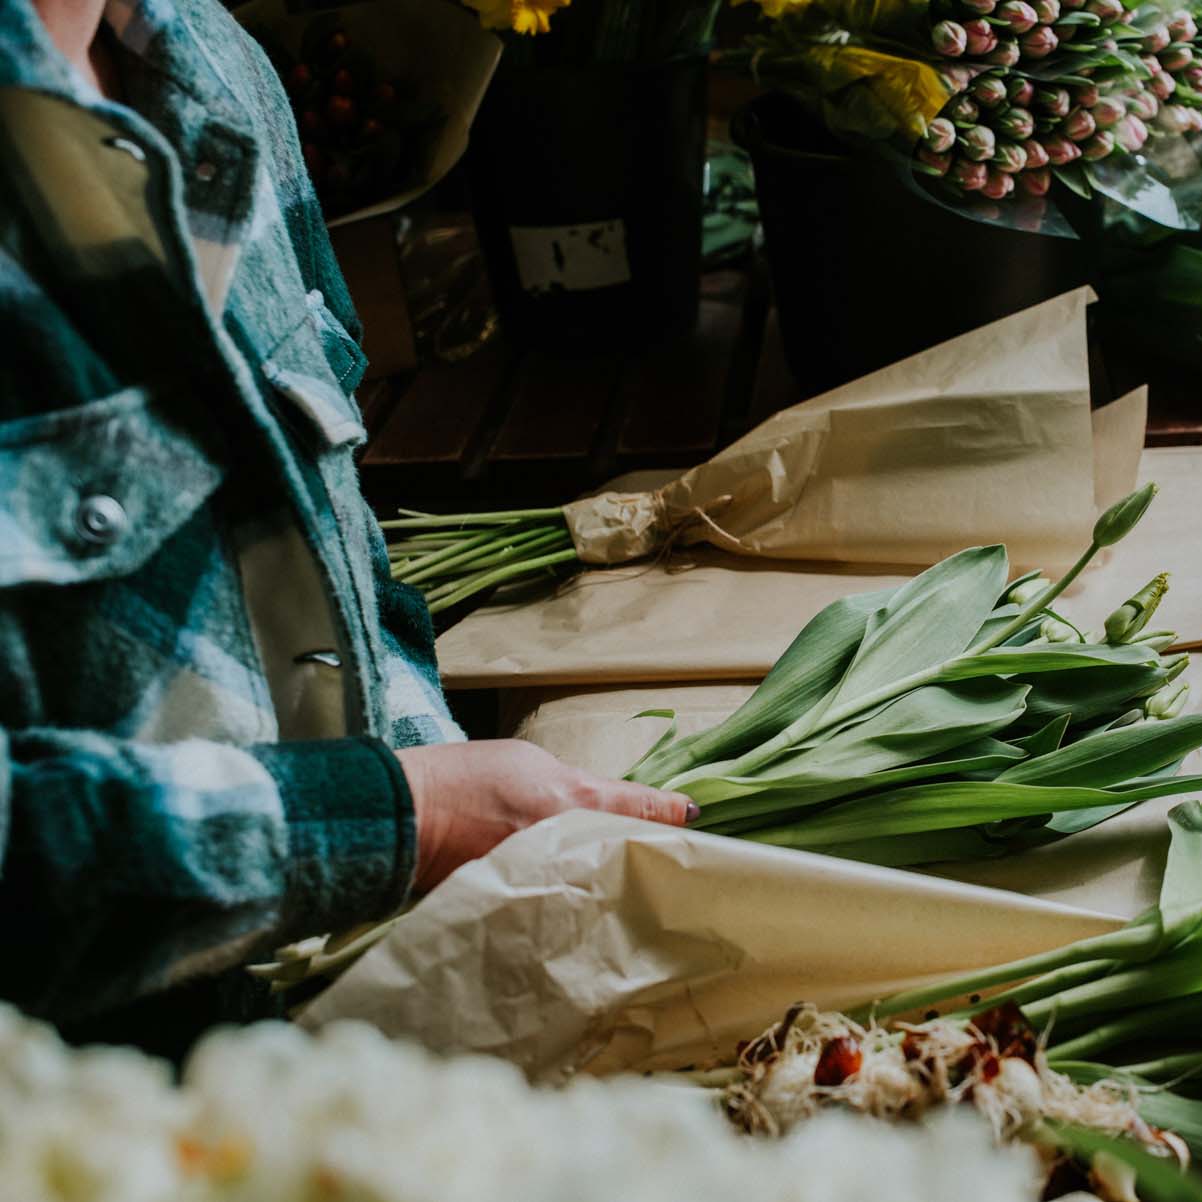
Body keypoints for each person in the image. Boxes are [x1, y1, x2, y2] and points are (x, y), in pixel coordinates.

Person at [0, 0, 693, 1049]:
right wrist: (402, 819)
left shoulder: (212, 61)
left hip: (338, 1031)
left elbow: (333, 527)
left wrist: (436, 806)